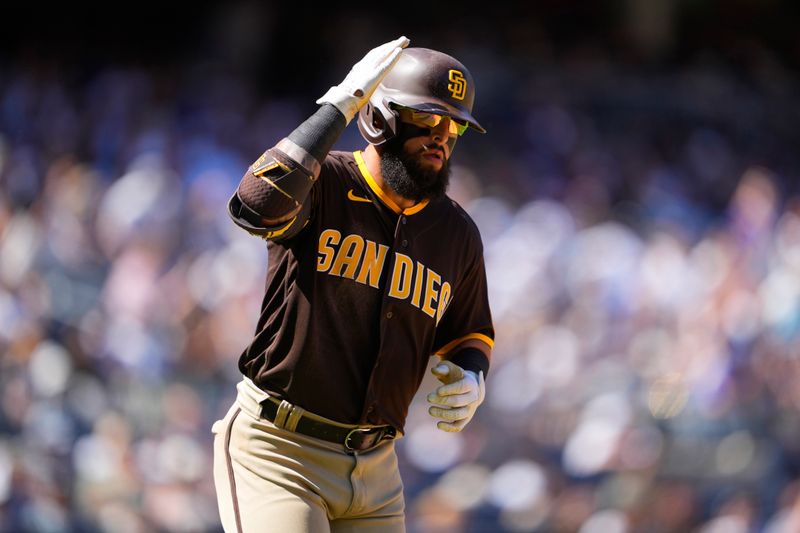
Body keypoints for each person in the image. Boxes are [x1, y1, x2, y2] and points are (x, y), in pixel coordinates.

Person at [212, 36, 494, 532]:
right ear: (380, 118)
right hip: (281, 452)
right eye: (429, 119)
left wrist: (473, 376)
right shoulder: (324, 182)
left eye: (456, 127)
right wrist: (338, 106)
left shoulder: (457, 234)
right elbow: (254, 206)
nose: (443, 137)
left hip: (378, 472)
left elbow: (468, 332)